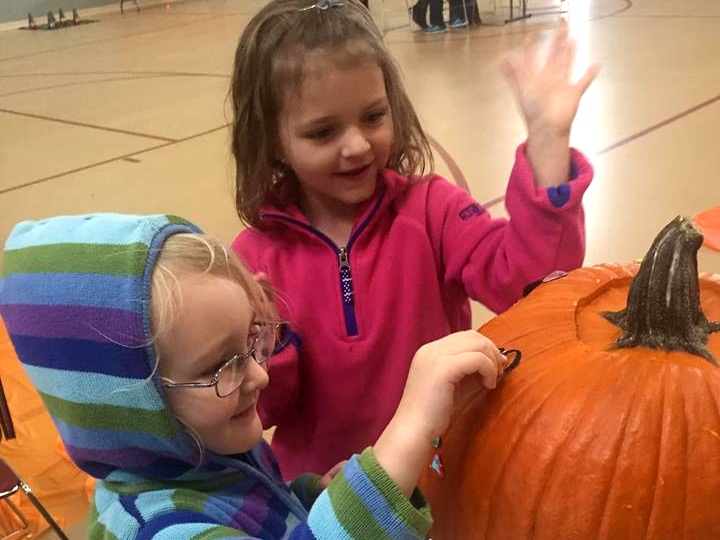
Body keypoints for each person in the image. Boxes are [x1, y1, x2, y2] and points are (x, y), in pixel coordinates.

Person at [230, 0, 599, 480]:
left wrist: (548, 140)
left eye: (373, 116)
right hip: (322, 495)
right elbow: (260, 410)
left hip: (440, 480)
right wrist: (261, 348)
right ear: (274, 142)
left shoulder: (432, 211)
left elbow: (534, 283)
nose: (358, 145)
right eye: (323, 132)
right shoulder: (255, 258)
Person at [0, 213, 505, 539]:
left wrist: (309, 495)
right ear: (131, 406)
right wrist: (410, 430)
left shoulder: (204, 454)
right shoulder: (160, 530)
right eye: (222, 365)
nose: (259, 375)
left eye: (252, 342)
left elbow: (266, 517)